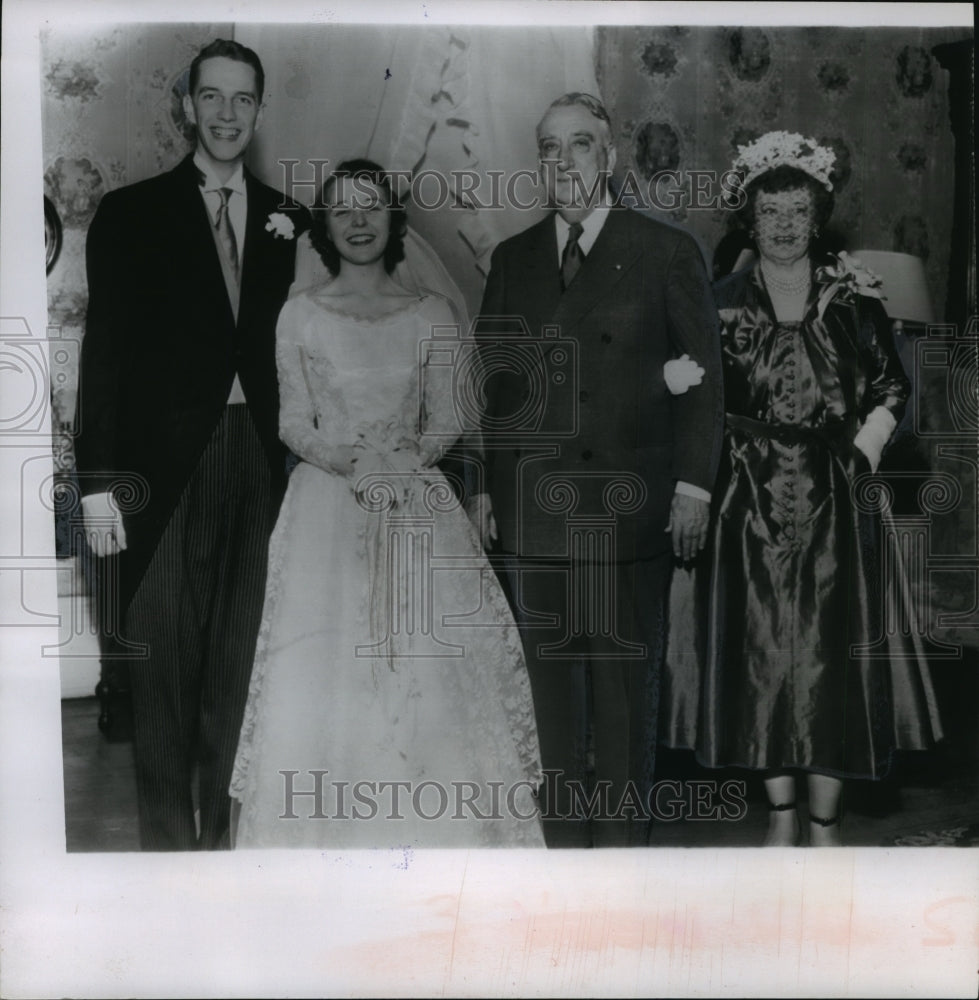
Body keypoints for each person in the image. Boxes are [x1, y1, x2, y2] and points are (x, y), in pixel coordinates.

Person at [229, 161, 544, 848]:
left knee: (429, 668)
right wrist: (349, 461)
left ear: (393, 218)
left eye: (371, 206)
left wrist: (405, 459)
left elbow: (450, 413)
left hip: (414, 499)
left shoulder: (428, 313)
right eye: (342, 209)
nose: (359, 221)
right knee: (325, 668)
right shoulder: (299, 316)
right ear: (326, 225)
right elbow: (292, 420)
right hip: (327, 505)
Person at [662, 131, 943, 846]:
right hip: (744, 499)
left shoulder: (852, 299)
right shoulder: (717, 302)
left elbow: (890, 386)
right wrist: (670, 381)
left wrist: (858, 453)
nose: (783, 226)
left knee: (829, 665)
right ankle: (780, 817)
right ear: (747, 221)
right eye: (769, 212)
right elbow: (689, 390)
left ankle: (824, 824)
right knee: (759, 664)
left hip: (835, 503)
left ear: (815, 218)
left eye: (795, 212)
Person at [469, 93, 724, 847]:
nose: (563, 160)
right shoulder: (513, 258)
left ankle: (617, 876)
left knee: (620, 707)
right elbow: (492, 383)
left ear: (607, 159)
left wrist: (693, 486)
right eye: (548, 148)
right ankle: (560, 875)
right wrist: (484, 485)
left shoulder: (664, 249)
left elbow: (703, 379)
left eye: (579, 145)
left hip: (628, 514)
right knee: (550, 708)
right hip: (535, 516)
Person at [75, 39, 310, 849]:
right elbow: (101, 357)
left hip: (262, 466)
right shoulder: (131, 213)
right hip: (164, 474)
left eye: (243, 99)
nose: (225, 114)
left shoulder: (291, 221)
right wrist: (99, 485)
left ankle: (222, 864)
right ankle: (171, 864)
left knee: (239, 681)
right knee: (164, 683)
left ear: (258, 108)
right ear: (186, 104)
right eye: (211, 97)